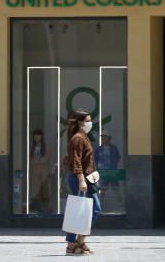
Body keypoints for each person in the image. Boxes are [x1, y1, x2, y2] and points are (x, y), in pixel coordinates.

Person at [65, 109, 101, 255]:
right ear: (80, 123)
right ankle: (72, 243)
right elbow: (76, 161)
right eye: (87, 120)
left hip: (88, 178)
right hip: (80, 179)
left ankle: (79, 241)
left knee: (93, 209)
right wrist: (81, 180)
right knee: (79, 211)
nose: (90, 123)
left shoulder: (83, 136)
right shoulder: (78, 138)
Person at [29, 128, 50, 212]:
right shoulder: (32, 147)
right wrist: (37, 160)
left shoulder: (46, 147)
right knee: (35, 191)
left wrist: (37, 160)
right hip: (34, 173)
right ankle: (37, 208)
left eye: (38, 136)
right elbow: (30, 160)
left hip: (44, 173)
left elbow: (46, 159)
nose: (36, 138)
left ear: (41, 137)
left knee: (45, 191)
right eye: (35, 136)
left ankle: (45, 209)